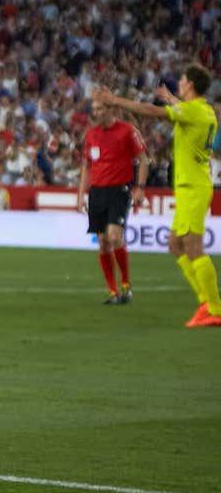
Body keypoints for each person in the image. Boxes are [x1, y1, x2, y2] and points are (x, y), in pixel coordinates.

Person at [94, 63, 221, 327]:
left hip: (193, 188)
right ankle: (205, 302)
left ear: (191, 85)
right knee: (175, 245)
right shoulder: (204, 110)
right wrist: (172, 99)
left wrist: (114, 100)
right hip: (191, 186)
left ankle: (214, 308)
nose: (180, 83)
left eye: (183, 80)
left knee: (193, 247)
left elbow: (152, 112)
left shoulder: (192, 111)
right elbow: (184, 110)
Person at [76, 101, 147, 305]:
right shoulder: (91, 134)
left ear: (111, 109)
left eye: (100, 109)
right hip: (97, 192)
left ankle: (125, 283)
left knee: (115, 236)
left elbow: (142, 159)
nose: (96, 112)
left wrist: (140, 187)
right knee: (103, 242)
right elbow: (86, 166)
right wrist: (81, 194)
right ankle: (112, 291)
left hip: (119, 190)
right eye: (95, 109)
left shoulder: (127, 131)